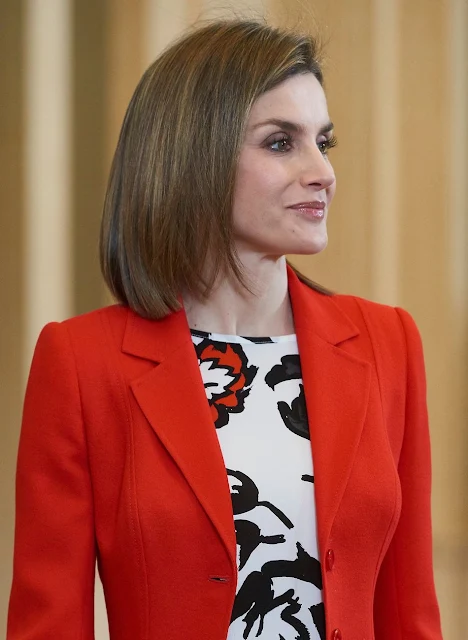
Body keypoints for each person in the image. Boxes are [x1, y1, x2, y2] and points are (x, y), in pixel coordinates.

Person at [7, 18, 443, 640]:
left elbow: (410, 612)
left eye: (325, 140)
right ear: (194, 156)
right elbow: (47, 623)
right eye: (280, 142)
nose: (322, 171)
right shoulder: (81, 363)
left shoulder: (388, 343)